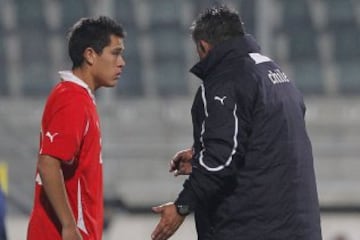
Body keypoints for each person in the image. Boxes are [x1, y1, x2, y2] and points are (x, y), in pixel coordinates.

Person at [151, 5, 322, 240]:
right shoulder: (274, 72)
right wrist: (200, 153)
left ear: (203, 46)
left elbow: (221, 160)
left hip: (250, 227)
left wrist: (182, 206)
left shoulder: (226, 79)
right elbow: (268, 142)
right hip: (297, 225)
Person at [27, 16, 125, 240]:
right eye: (115, 53)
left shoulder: (78, 97)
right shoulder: (73, 100)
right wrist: (69, 227)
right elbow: (48, 163)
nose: (122, 62)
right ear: (90, 55)